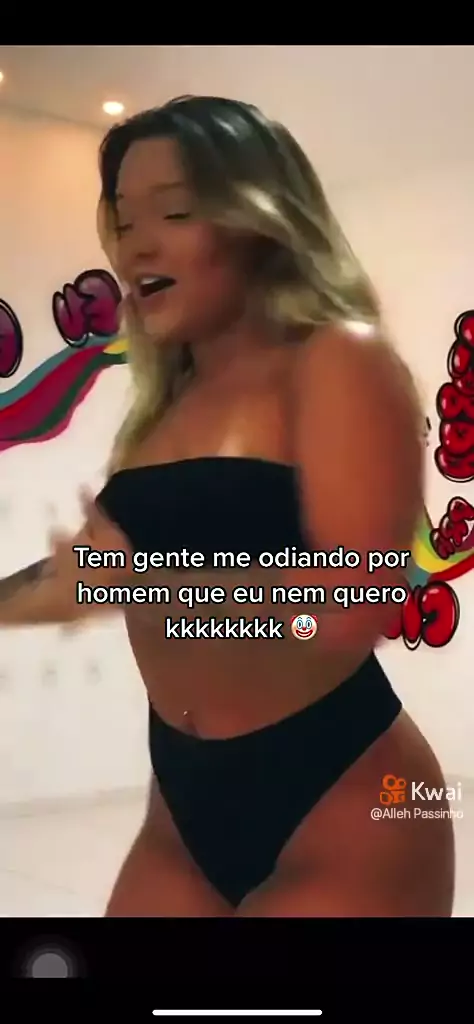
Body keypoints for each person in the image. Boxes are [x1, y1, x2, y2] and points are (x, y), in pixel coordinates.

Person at [0, 96, 454, 917]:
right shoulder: (164, 408)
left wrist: (147, 585)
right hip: (181, 811)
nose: (136, 244)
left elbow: (355, 604)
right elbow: (89, 574)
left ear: (259, 222)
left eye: (175, 212)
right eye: (123, 221)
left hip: (346, 801)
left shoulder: (336, 358)